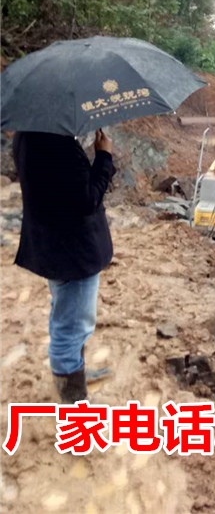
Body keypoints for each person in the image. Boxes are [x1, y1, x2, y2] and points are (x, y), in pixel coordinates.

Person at [13, 129, 115, 402]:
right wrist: (104, 156)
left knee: (67, 316)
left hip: (55, 248)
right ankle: (73, 403)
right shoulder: (57, 144)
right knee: (71, 329)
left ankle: (74, 372)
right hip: (72, 253)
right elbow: (87, 200)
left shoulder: (26, 135)